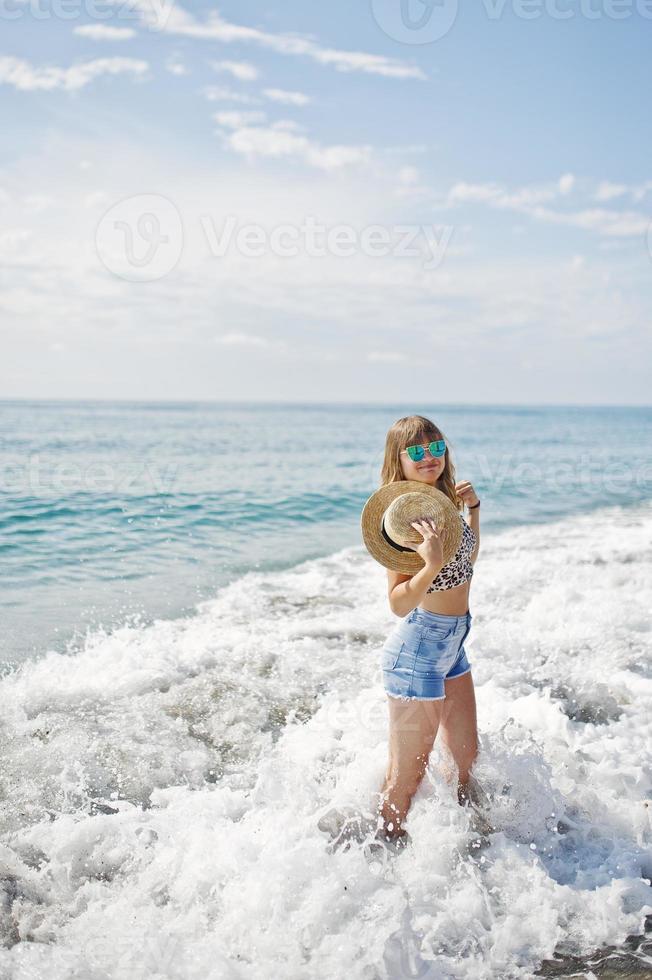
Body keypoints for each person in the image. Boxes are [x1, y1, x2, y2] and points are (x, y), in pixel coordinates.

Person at [374, 415, 482, 844]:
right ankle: (376, 855)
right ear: (397, 459)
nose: (429, 457)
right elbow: (399, 603)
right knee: (407, 778)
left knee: (466, 761)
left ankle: (466, 851)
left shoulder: (442, 506)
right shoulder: (397, 521)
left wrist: (473, 511)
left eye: (435, 448)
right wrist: (430, 563)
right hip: (418, 649)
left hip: (454, 646)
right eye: (416, 451)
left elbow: (466, 565)